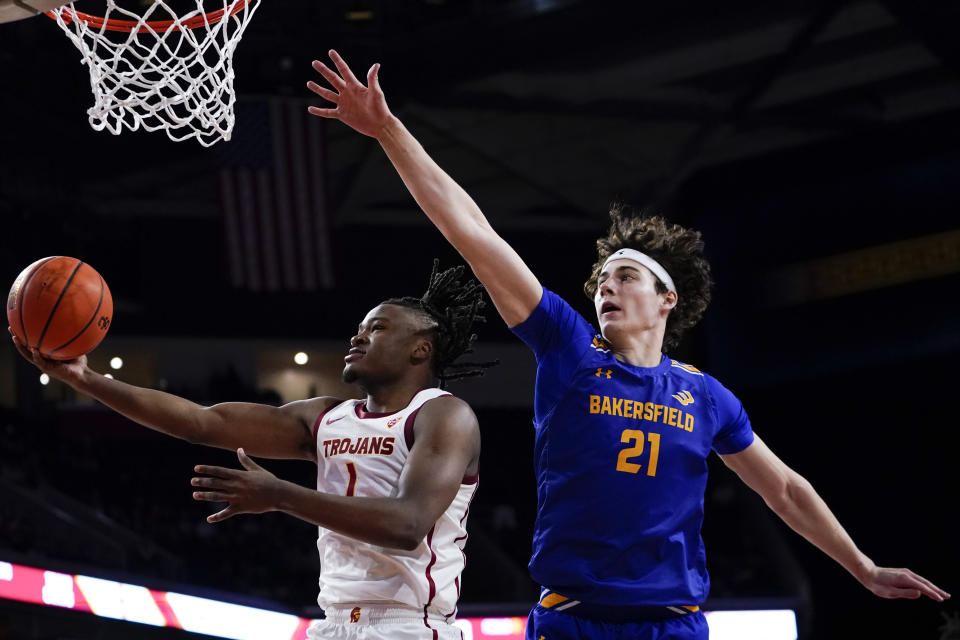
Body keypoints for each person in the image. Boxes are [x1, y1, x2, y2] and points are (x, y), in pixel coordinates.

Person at [306, 51, 952, 640]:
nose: (606, 288)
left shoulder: (706, 395)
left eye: (626, 276)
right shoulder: (568, 347)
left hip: (672, 624)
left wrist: (861, 566)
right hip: (572, 620)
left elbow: (784, 490)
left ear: (667, 299)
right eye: (602, 280)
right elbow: (474, 234)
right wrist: (390, 130)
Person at [10, 261, 492, 640]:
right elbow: (203, 422)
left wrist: (280, 495)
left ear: (420, 351)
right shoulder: (325, 418)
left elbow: (407, 525)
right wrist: (86, 380)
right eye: (360, 327)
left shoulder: (444, 415)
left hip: (409, 626)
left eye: (378, 328)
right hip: (334, 622)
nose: (358, 335)